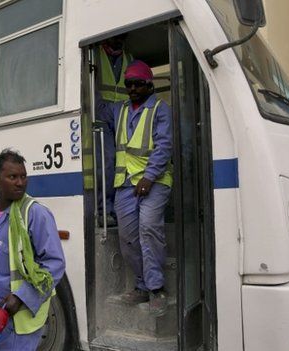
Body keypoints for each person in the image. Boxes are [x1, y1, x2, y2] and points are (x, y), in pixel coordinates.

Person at [0, 149, 66, 350]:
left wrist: (21, 297)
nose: (20, 182)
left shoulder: (35, 213)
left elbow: (55, 264)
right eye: (13, 177)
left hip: (20, 315)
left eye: (23, 176)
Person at [97, 60, 173, 316]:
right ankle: (141, 285)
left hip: (154, 182)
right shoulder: (119, 110)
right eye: (129, 84)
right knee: (128, 238)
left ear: (149, 85)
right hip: (125, 184)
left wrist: (149, 177)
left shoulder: (161, 110)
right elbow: (96, 107)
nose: (132, 88)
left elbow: (164, 146)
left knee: (148, 229)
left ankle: (156, 288)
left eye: (138, 84)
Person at [93, 34, 133, 227]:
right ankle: (105, 210)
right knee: (107, 163)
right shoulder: (94, 55)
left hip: (123, 118)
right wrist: (112, 113)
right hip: (101, 119)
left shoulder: (129, 58)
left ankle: (121, 209)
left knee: (124, 164)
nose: (119, 40)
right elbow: (92, 93)